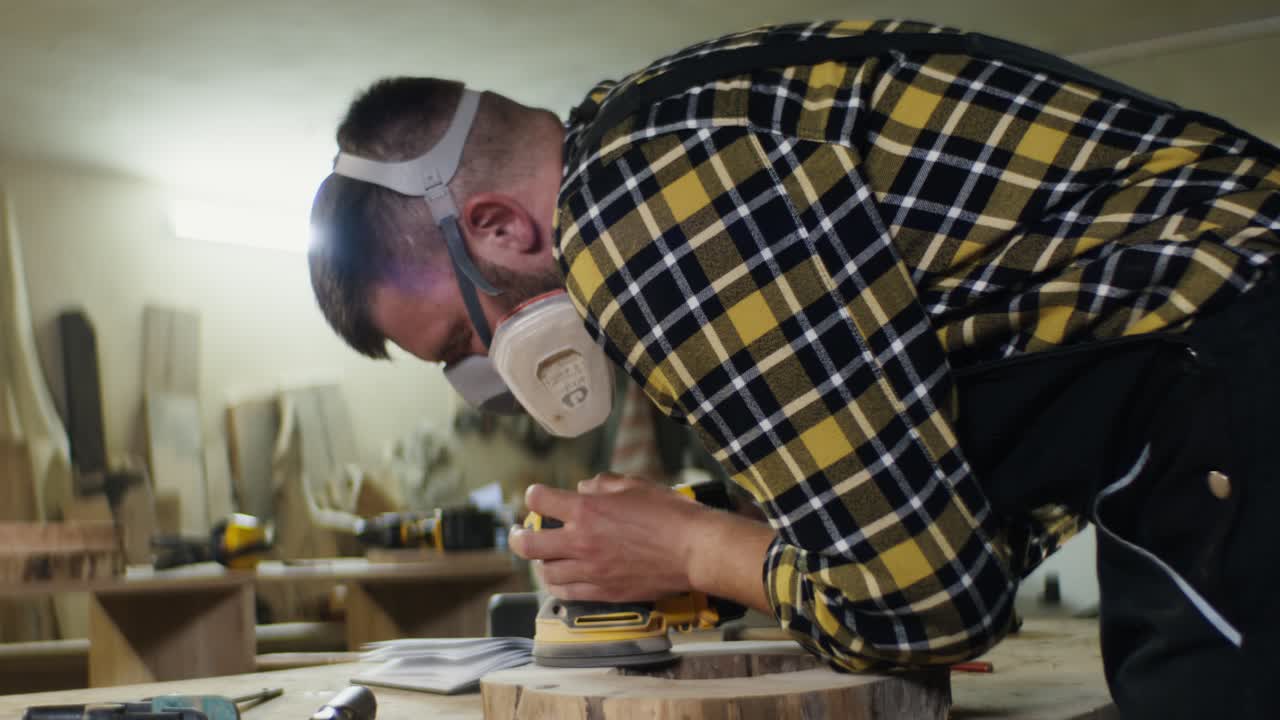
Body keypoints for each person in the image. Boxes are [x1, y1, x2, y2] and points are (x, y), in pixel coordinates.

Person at [307, 19, 1279, 718]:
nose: (492, 372)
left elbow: (931, 607)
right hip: (1201, 387)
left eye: (462, 340)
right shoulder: (664, 132)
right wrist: (715, 520)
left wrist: (689, 549)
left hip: (1239, 365)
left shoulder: (634, 218)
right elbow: (939, 447)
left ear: (497, 225)